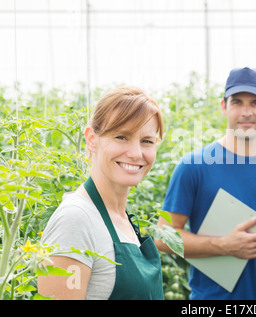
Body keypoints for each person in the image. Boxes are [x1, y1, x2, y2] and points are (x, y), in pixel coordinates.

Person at [155, 67, 256, 300]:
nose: (246, 112)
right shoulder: (194, 167)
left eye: (255, 103)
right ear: (224, 107)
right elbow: (163, 236)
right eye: (237, 102)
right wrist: (223, 245)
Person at [38, 86, 164, 300]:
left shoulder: (122, 218)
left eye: (147, 141)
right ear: (91, 139)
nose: (135, 153)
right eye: (121, 137)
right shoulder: (76, 220)